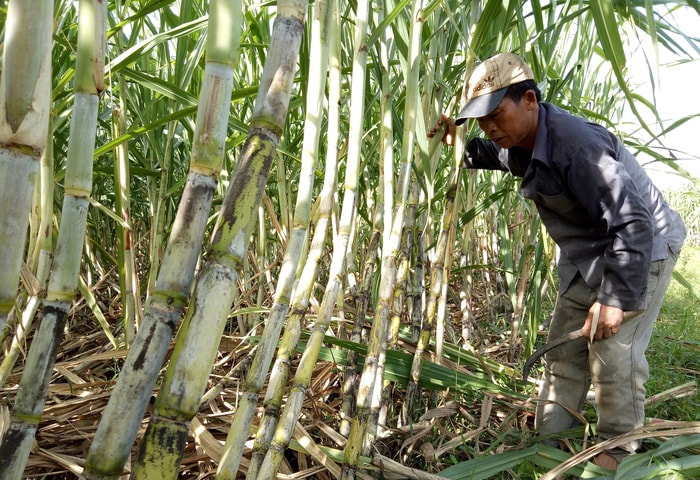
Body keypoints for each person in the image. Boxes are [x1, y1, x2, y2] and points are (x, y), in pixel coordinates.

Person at [431, 52, 686, 470]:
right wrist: (459, 144)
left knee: (611, 352)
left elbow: (634, 222)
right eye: (481, 121)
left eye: (496, 114)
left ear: (529, 100)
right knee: (562, 351)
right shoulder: (518, 142)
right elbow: (493, 155)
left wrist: (615, 299)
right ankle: (550, 440)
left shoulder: (577, 145)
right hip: (589, 254)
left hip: (642, 246)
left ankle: (619, 454)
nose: (490, 128)